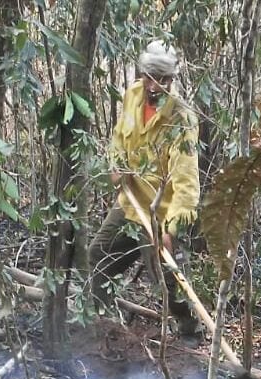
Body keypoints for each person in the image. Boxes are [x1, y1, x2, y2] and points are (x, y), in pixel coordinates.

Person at [89, 40, 201, 337]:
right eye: (150, 78)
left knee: (171, 286)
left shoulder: (182, 118)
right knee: (97, 258)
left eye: (163, 80)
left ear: (172, 79)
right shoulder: (133, 96)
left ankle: (191, 333)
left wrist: (171, 229)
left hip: (160, 215)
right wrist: (116, 165)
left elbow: (187, 183)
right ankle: (104, 325)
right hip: (130, 203)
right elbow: (117, 139)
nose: (155, 87)